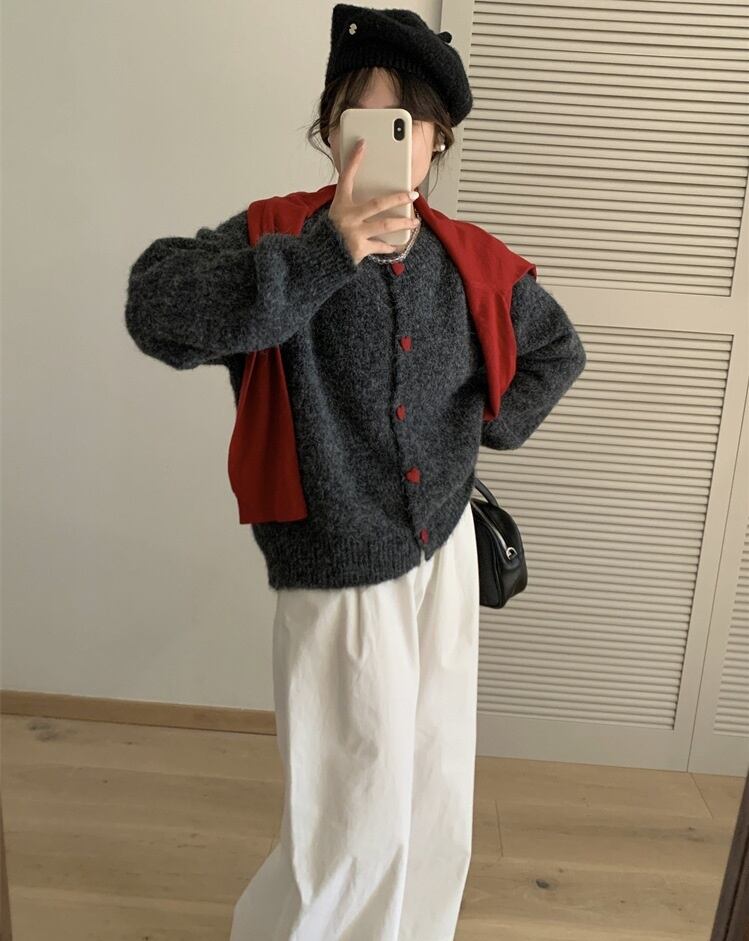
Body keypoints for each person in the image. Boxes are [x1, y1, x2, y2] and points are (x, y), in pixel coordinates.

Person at [124, 5, 587, 939]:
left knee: (432, 783)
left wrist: (480, 430)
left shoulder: (469, 264)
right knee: (348, 806)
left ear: (435, 140)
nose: (374, 143)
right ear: (331, 130)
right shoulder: (279, 235)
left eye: (399, 124)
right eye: (354, 119)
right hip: (336, 561)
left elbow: (556, 351)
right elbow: (156, 305)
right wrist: (324, 253)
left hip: (443, 554)